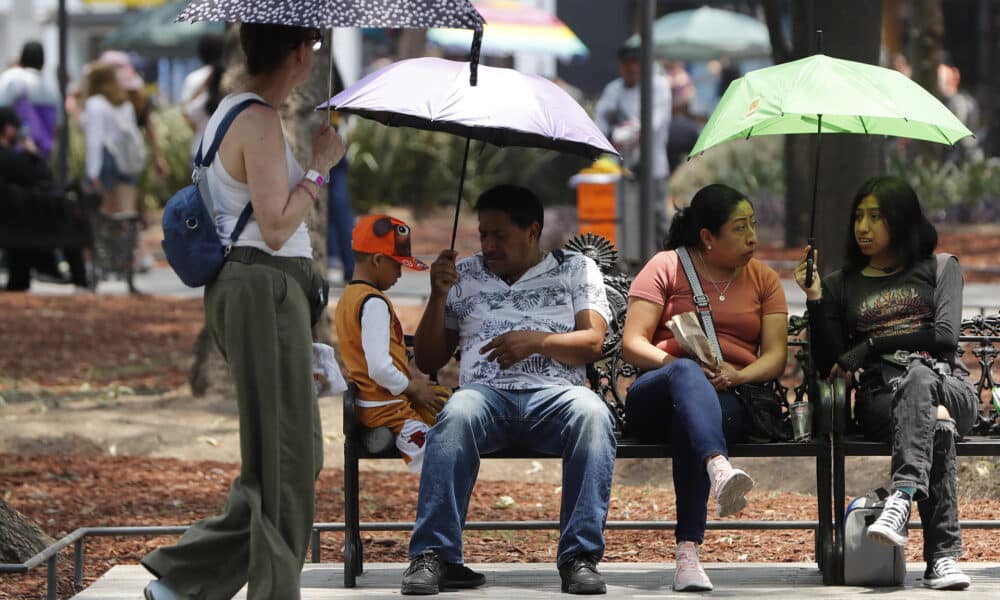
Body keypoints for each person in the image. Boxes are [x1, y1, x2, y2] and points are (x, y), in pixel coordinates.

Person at [140, 23, 345, 600]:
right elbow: (277, 227)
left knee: (286, 456)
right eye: (314, 49)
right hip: (262, 289)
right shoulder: (255, 119)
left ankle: (183, 580)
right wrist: (319, 164)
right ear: (301, 54)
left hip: (262, 293)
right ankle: (264, 591)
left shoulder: (235, 110)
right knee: (287, 459)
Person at [400, 184, 616, 595]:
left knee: (592, 415)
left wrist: (534, 341)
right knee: (457, 414)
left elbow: (592, 342)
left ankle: (579, 557)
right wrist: (438, 295)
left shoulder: (574, 268)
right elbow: (428, 361)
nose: (489, 244)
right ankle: (433, 555)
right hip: (485, 397)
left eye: (500, 235)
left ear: (532, 231)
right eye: (483, 234)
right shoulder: (463, 274)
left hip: (557, 397)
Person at [795, 175, 978, 591]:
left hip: (950, 385)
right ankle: (942, 559)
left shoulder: (941, 268)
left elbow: (946, 337)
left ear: (901, 220)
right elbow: (830, 362)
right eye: (858, 216)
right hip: (883, 399)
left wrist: (874, 343)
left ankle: (902, 496)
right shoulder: (844, 283)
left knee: (921, 379)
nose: (862, 226)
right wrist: (815, 297)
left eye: (875, 217)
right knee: (939, 423)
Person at [621, 183, 788, 592]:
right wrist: (679, 366)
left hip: (725, 400)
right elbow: (632, 343)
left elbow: (775, 356)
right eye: (740, 228)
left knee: (691, 425)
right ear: (708, 238)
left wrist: (737, 375)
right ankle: (719, 468)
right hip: (657, 394)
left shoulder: (763, 279)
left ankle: (687, 556)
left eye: (754, 225)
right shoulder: (665, 266)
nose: (753, 237)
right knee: (686, 376)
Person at [335, 213, 444, 472]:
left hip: (370, 404)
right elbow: (379, 368)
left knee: (445, 400)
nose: (399, 273)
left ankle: (380, 435)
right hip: (388, 409)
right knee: (443, 456)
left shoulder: (349, 297)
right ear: (377, 260)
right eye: (397, 265)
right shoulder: (373, 303)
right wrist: (413, 388)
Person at [594, 44, 672, 252]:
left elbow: (651, 124)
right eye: (627, 65)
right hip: (622, 168)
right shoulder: (614, 89)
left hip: (652, 166)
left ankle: (670, 262)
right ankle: (633, 265)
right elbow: (600, 120)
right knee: (626, 218)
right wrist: (612, 134)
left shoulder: (658, 86)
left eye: (636, 64)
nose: (632, 69)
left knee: (657, 218)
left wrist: (625, 132)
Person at [0, 41, 59, 160]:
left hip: (15, 154)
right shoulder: (53, 88)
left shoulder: (13, 79)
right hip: (43, 156)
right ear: (43, 63)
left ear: (21, 60)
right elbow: (58, 125)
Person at [180, 33, 226, 159]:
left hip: (200, 148)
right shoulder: (230, 78)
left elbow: (185, 113)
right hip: (227, 154)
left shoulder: (193, 79)